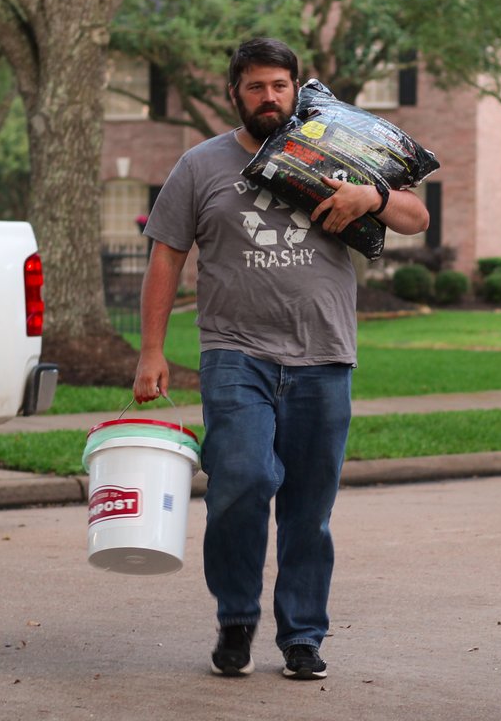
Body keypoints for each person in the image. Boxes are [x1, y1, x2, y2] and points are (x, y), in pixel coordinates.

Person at [132, 38, 430, 680]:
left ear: (296, 89)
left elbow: (416, 216)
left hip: (324, 355)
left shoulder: (335, 152)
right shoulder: (200, 165)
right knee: (239, 483)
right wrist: (151, 351)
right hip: (235, 354)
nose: (269, 97)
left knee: (308, 509)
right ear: (234, 94)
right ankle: (236, 617)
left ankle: (302, 636)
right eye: (256, 87)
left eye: (279, 86)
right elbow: (166, 256)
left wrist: (371, 199)